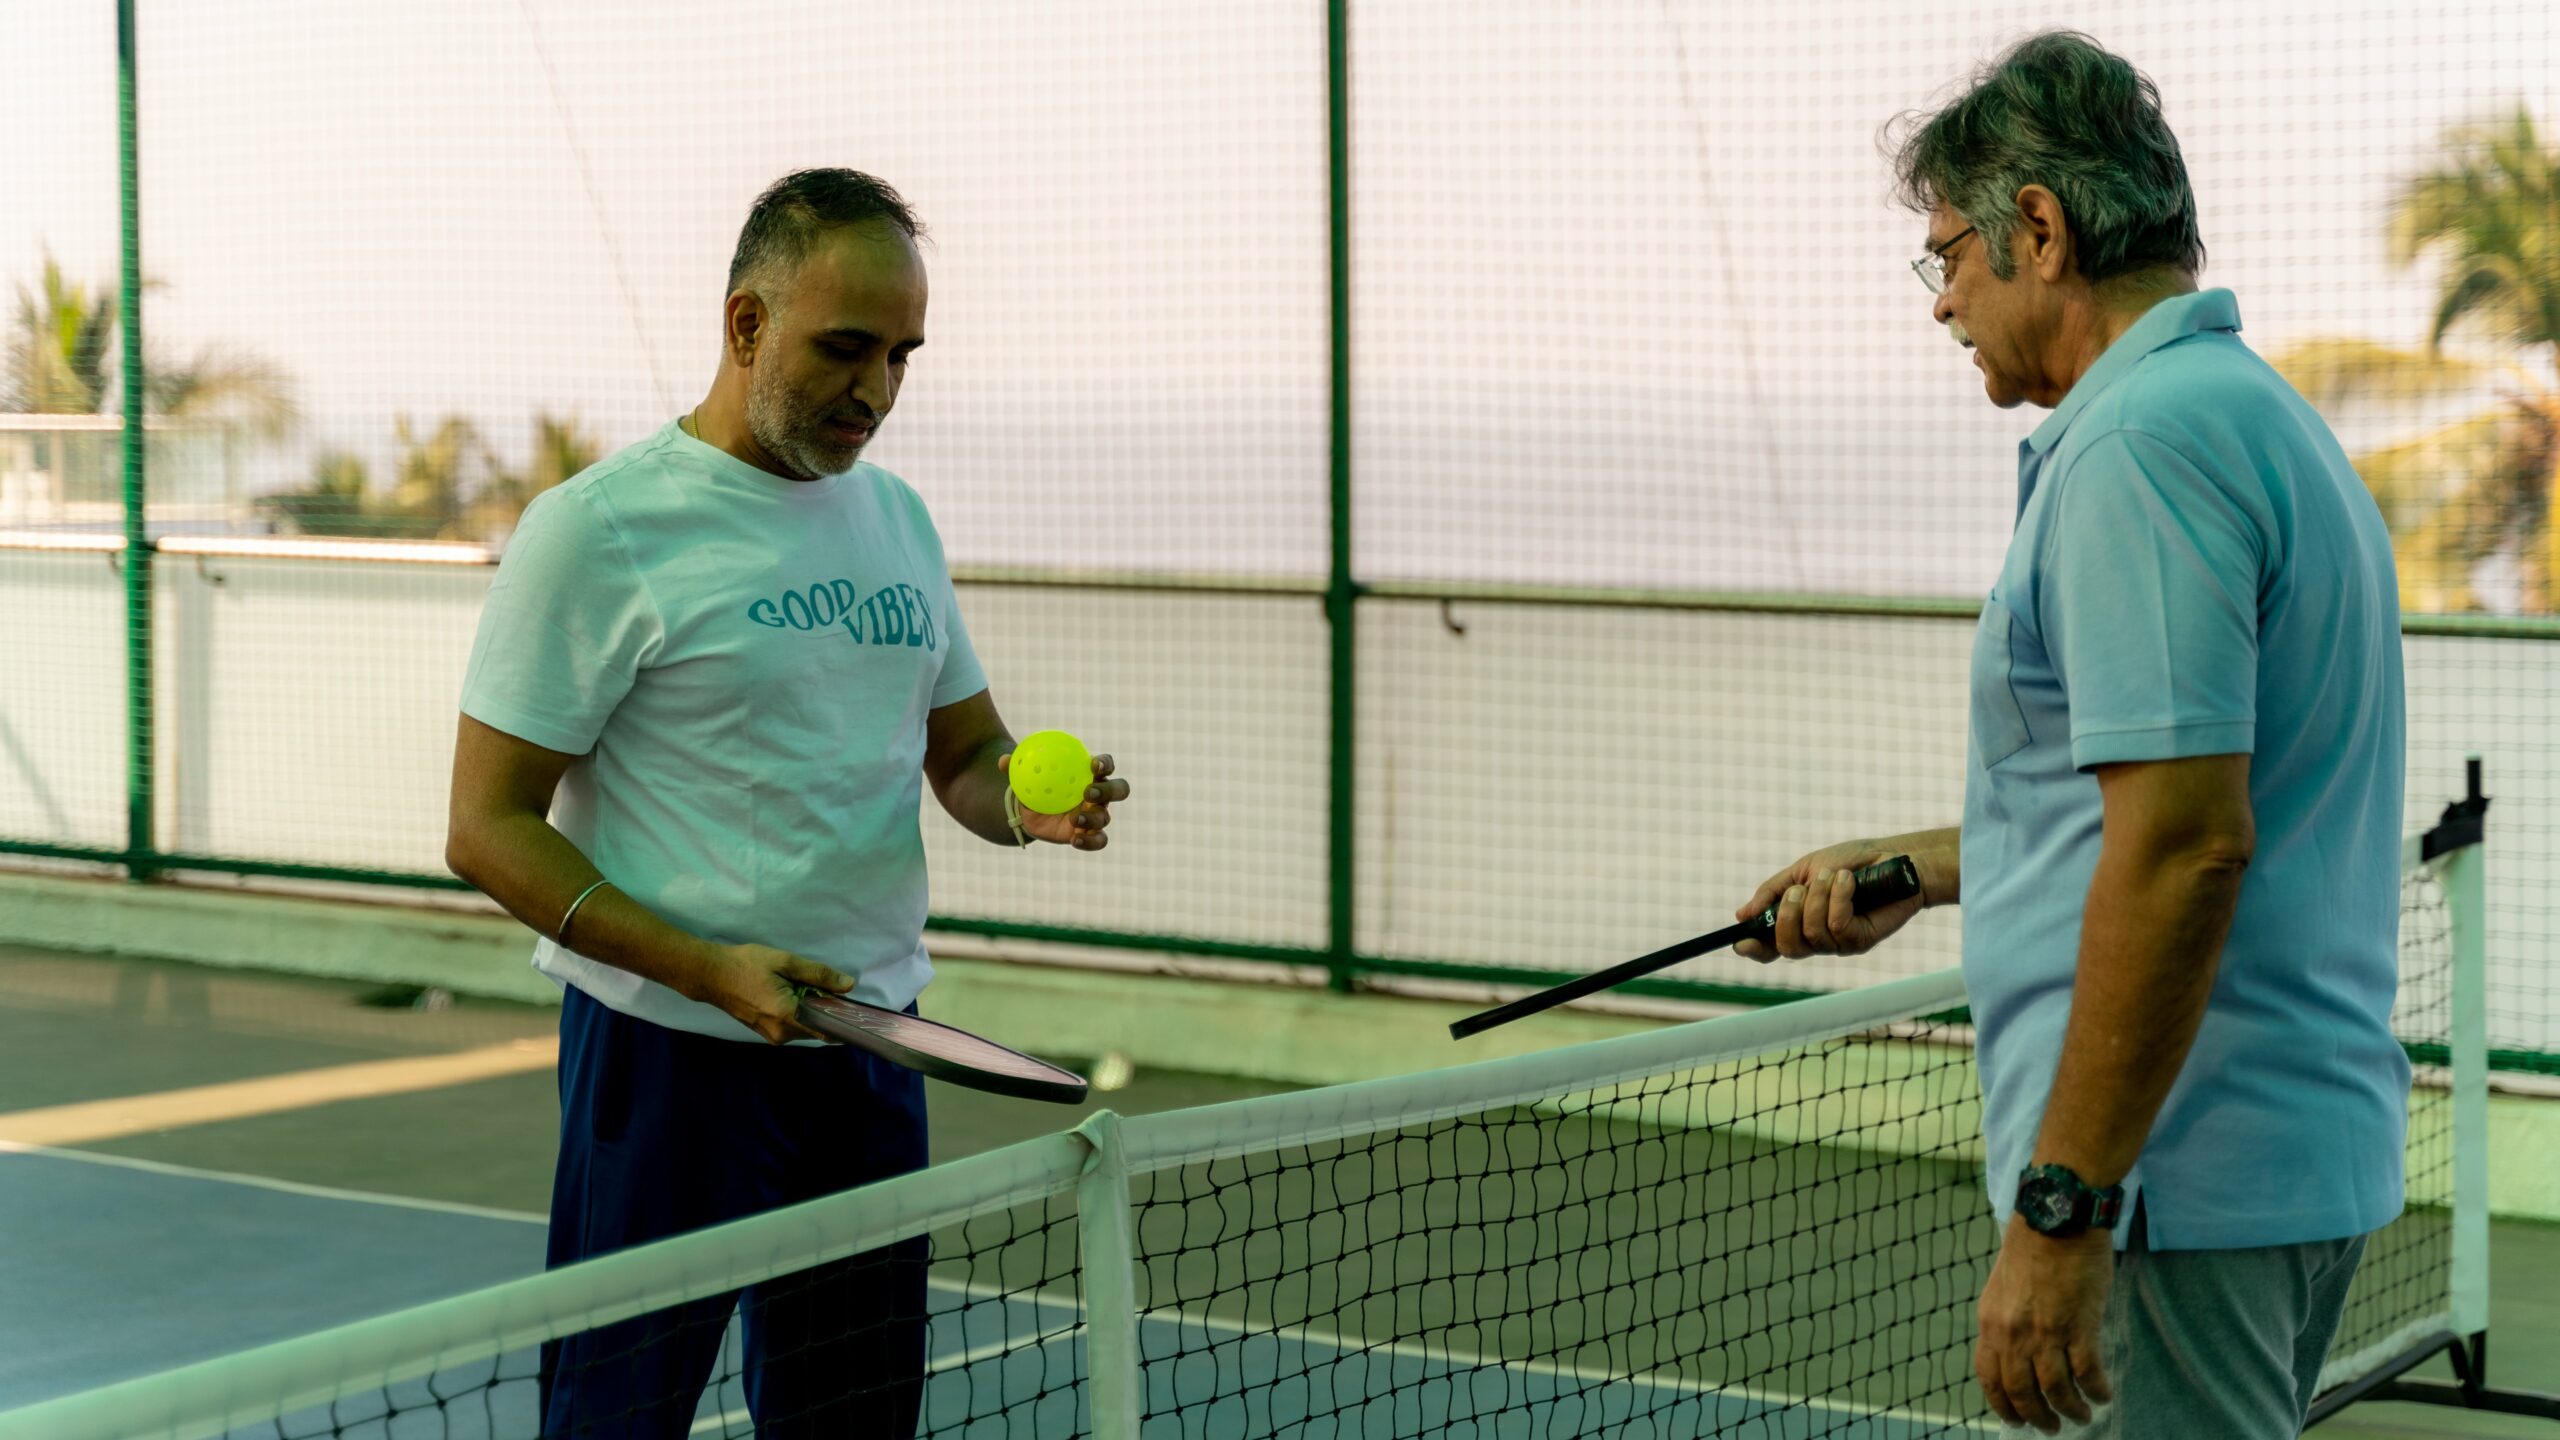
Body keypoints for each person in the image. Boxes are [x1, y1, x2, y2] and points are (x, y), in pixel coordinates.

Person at [1733, 33, 2406, 1438]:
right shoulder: (2259, 419)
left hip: (2178, 1185)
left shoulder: (2138, 448)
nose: (1943, 305)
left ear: (2038, 227)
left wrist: (2063, 1210)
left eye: (1949, 257)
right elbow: (2186, 801)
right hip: (2277, 1163)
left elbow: (2182, 852)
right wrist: (1916, 869)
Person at [443, 168, 1129, 1438]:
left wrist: (1025, 809)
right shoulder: (596, 531)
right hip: (663, 1063)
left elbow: (966, 757)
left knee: (852, 1421)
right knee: (614, 1421)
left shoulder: (899, 523)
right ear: (746, 324)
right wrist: (705, 969)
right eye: (845, 347)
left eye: (902, 356)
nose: (875, 390)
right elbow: (485, 829)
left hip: (870, 1053)